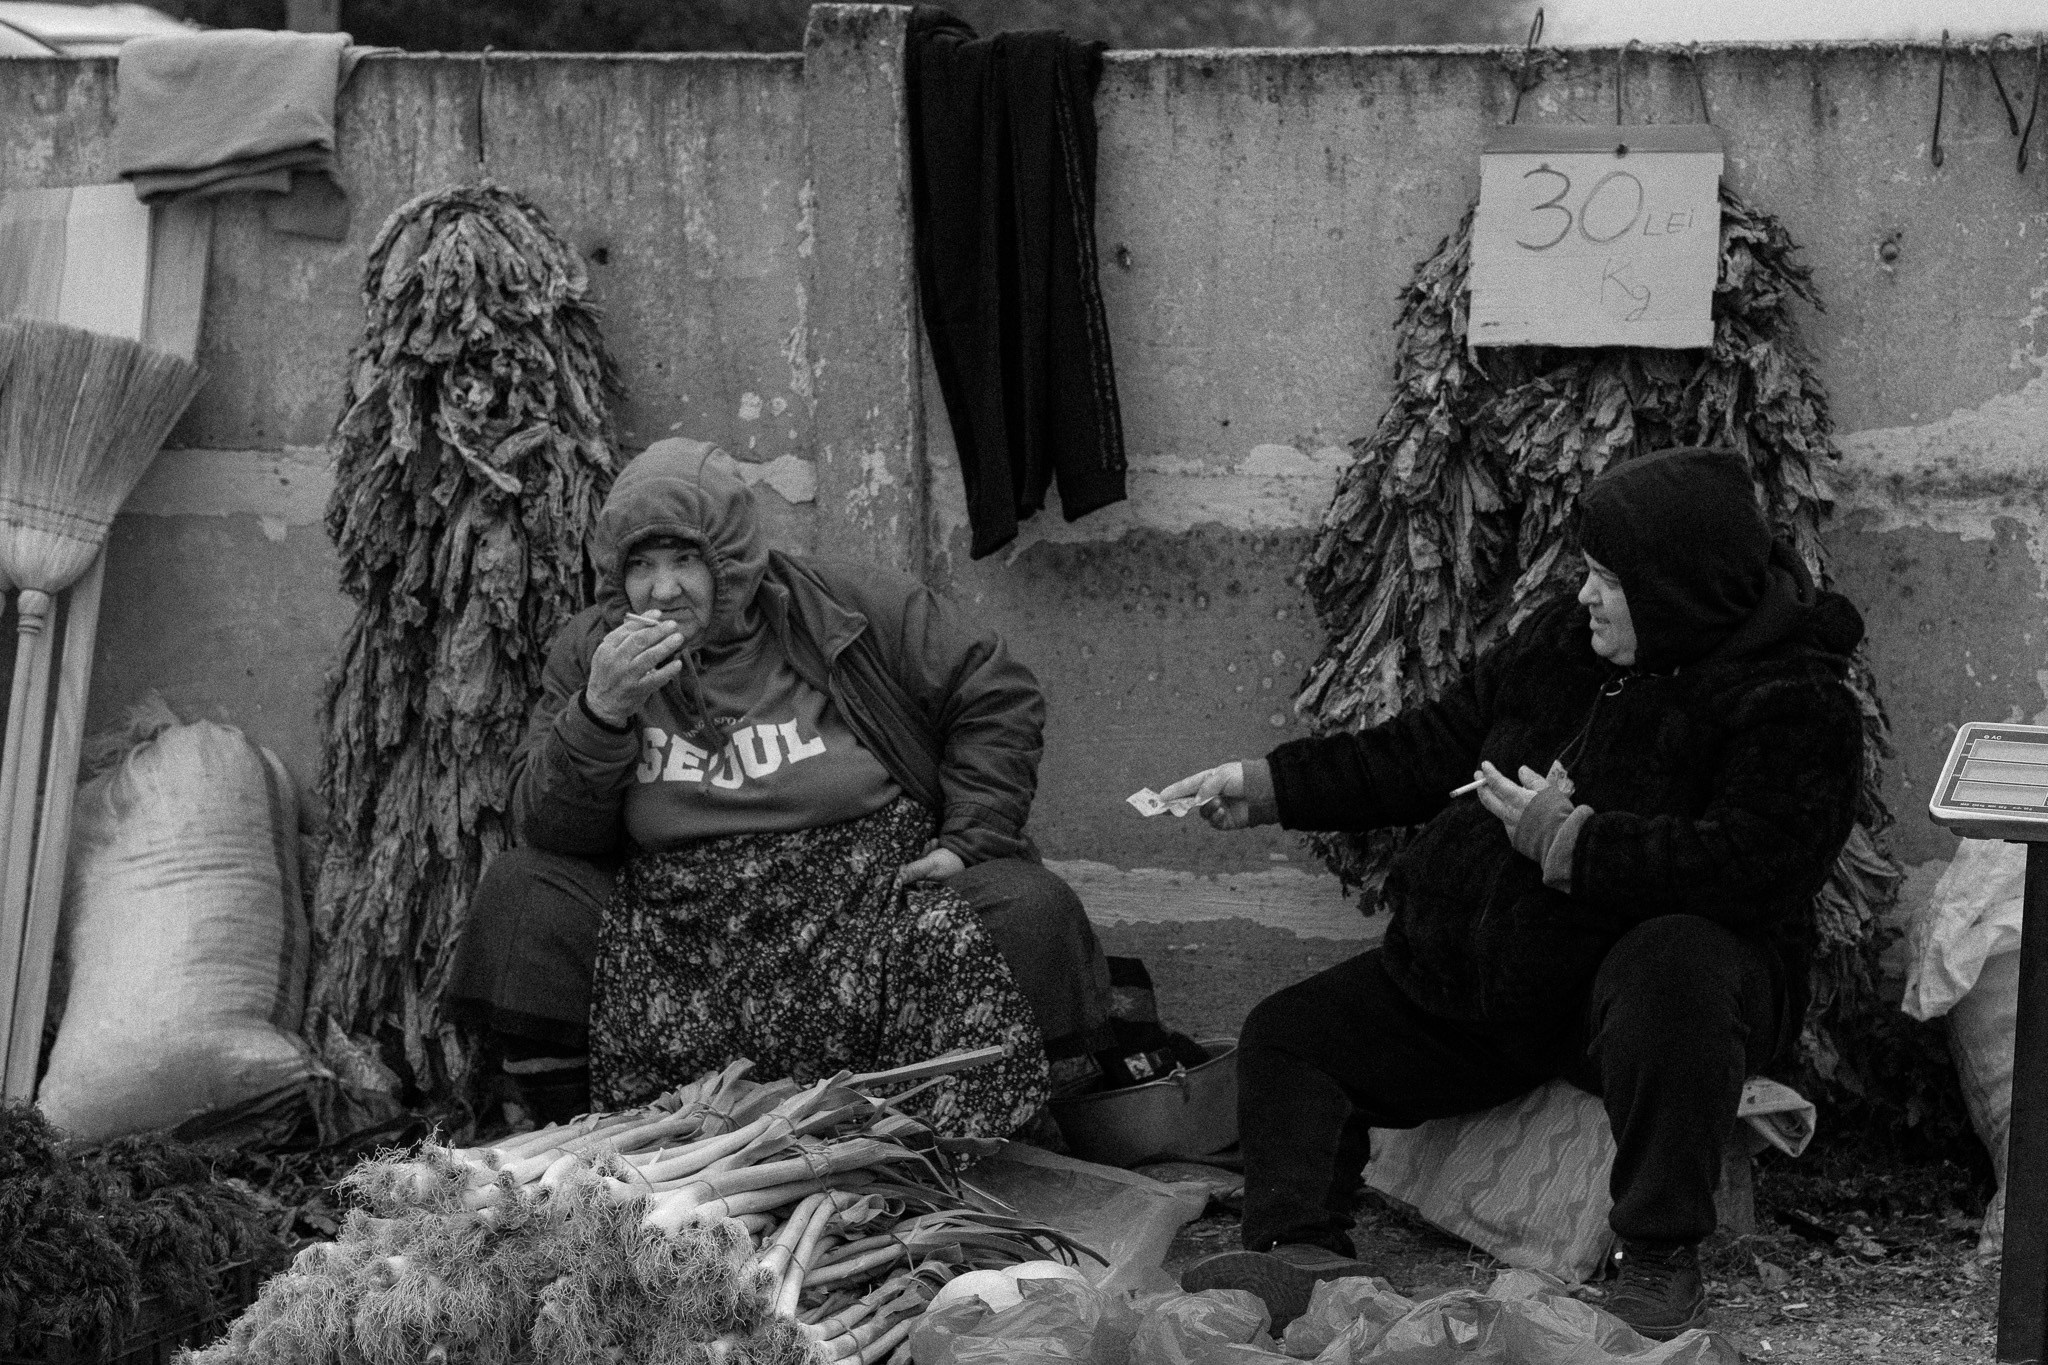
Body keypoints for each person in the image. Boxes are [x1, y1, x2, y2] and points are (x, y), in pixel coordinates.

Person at [1160, 447, 1866, 1340]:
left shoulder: (1795, 699)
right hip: (1493, 989)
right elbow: (1430, 749)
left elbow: (1757, 862)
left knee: (1675, 962)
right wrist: (1263, 785)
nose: (1584, 596)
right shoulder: (1561, 649)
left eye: (1609, 579)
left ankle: (1656, 1260)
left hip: (1626, 1001)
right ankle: (1302, 1254)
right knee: (1290, 1035)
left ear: (1675, 587)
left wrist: (1572, 842)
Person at [446, 437, 1115, 1139]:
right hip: (678, 938)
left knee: (1028, 908)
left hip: (864, 919)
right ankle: (584, 1147)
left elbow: (993, 690)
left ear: (729, 561)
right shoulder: (596, 653)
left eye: (684, 559)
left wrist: (972, 837)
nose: (663, 588)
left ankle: (981, 1137)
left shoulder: (849, 609)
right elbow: (552, 831)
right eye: (640, 564)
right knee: (523, 895)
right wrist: (599, 712)